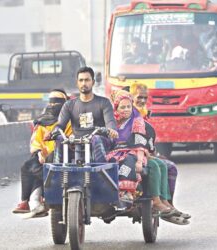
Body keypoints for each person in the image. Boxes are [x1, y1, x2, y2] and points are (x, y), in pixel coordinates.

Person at [107, 90, 189, 225]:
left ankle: (165, 202)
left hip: (138, 153)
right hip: (117, 155)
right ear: (116, 106)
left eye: (129, 106)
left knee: (163, 165)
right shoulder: (110, 121)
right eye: (123, 106)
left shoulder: (136, 118)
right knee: (155, 166)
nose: (126, 109)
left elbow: (141, 141)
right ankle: (156, 201)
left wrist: (141, 158)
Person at [128, 83, 191, 222]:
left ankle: (166, 202)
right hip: (134, 153)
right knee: (159, 166)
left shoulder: (143, 112)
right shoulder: (131, 113)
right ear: (131, 98)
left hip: (145, 152)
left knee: (167, 166)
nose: (143, 101)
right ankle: (158, 202)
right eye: (139, 97)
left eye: (145, 98)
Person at [12, 89, 72, 215]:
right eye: (51, 102)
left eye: (57, 102)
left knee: (46, 168)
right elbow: (35, 141)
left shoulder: (69, 121)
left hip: (62, 154)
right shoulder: (41, 122)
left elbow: (70, 138)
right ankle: (25, 201)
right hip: (42, 155)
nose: (53, 105)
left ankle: (43, 198)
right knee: (27, 167)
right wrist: (39, 152)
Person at [49, 66, 119, 163]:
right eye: (81, 80)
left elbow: (110, 122)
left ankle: (101, 174)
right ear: (77, 83)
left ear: (93, 82)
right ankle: (58, 176)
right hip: (76, 144)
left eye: (87, 80)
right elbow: (60, 124)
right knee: (60, 139)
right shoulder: (69, 105)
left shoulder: (104, 102)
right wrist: (56, 130)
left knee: (96, 139)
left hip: (99, 143)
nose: (84, 83)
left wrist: (112, 130)